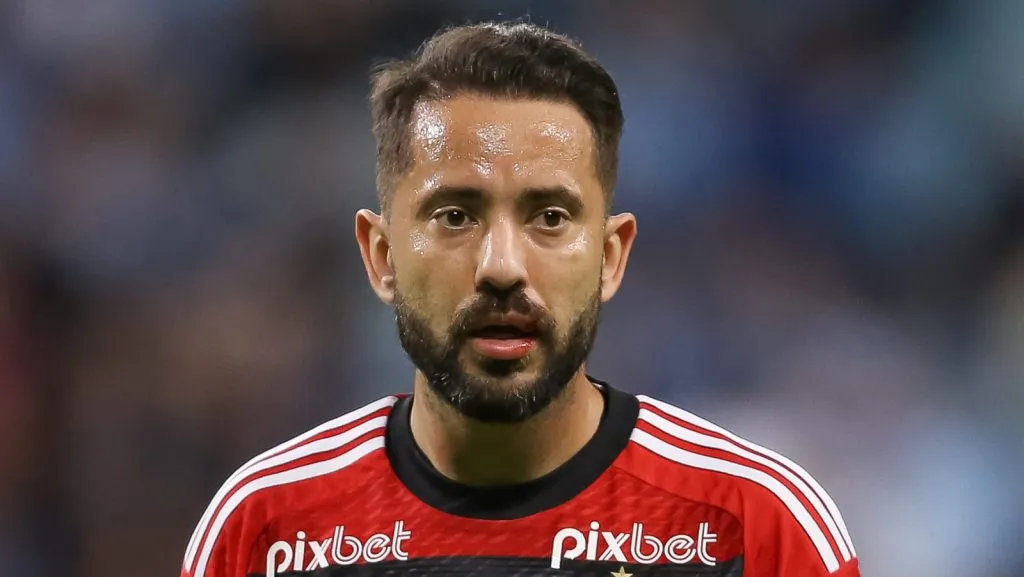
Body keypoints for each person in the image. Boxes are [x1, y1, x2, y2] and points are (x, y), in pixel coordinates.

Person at [180, 21, 861, 577]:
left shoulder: (755, 527)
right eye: (454, 215)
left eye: (550, 217)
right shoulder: (263, 529)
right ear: (381, 256)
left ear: (609, 256)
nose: (501, 266)